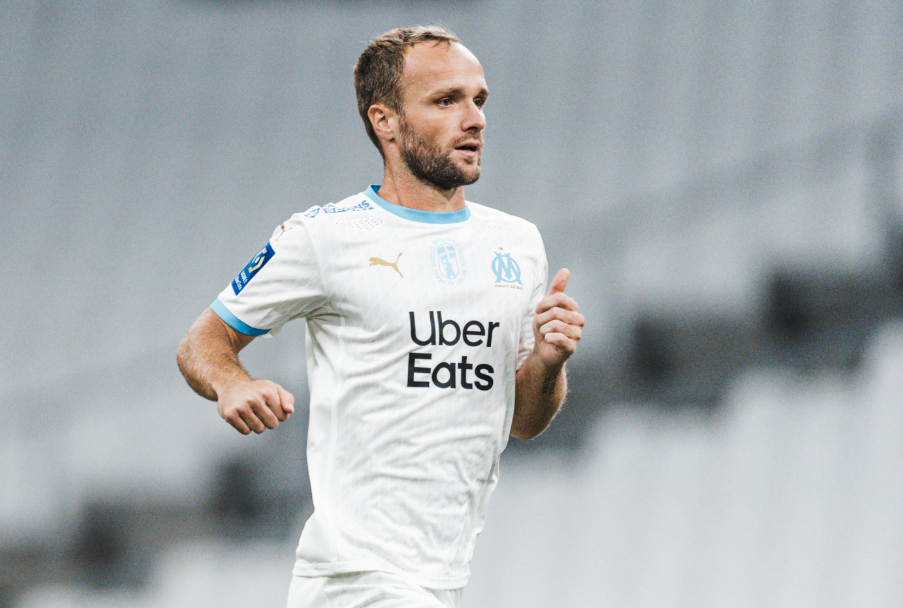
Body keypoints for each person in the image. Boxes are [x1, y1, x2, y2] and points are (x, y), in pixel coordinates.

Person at [176, 25, 584, 608]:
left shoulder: (516, 244)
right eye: (446, 101)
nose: (474, 119)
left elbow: (523, 420)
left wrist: (547, 361)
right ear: (385, 121)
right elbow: (201, 341)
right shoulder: (326, 236)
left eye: (479, 100)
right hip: (355, 580)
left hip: (441, 578)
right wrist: (232, 382)